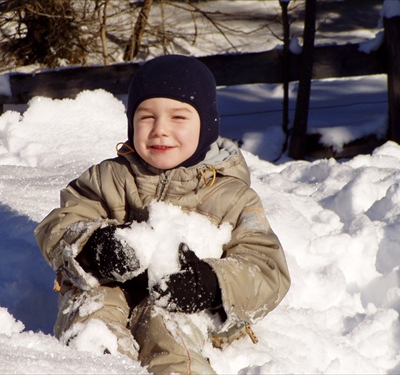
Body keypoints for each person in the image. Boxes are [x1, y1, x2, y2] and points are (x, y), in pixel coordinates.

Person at [35, 54, 290, 374]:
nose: (160, 130)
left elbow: (266, 270)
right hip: (110, 287)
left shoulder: (234, 198)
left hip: (186, 305)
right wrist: (96, 247)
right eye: (146, 117)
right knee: (94, 318)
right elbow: (60, 223)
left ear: (206, 125)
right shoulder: (109, 178)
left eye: (179, 118)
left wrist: (211, 284)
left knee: (169, 332)